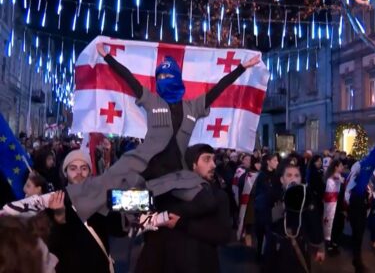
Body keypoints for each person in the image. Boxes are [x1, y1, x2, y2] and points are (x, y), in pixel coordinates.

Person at [65, 44, 260, 222]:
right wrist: (107, 57)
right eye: (160, 77)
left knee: (206, 198)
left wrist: (242, 67)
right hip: (145, 168)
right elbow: (128, 78)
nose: (163, 80)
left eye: (167, 76)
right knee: (110, 193)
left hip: (175, 174)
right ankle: (65, 201)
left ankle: (151, 218)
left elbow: (219, 88)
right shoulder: (152, 101)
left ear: (177, 77)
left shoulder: (194, 107)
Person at [136, 144, 231, 273]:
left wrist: (182, 224)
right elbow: (141, 223)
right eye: (207, 159)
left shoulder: (219, 196)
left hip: (203, 265)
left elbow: (223, 236)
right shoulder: (166, 192)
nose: (213, 165)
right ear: (192, 164)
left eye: (214, 160)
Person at [48, 149, 129, 273]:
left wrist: (114, 207)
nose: (79, 173)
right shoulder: (56, 200)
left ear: (90, 172)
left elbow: (119, 231)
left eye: (84, 168)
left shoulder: (100, 197)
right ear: (65, 172)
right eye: (73, 168)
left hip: (99, 267)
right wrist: (59, 219)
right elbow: (51, 248)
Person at [262, 164, 325, 273]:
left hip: (299, 247)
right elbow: (266, 220)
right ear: (282, 179)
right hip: (277, 249)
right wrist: (283, 204)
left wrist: (319, 246)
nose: (293, 179)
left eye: (297, 175)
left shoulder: (306, 195)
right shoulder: (273, 195)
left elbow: (314, 221)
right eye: (289, 175)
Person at [323, 159, 345, 256]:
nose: (342, 167)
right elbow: (329, 195)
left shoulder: (339, 177)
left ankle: (335, 242)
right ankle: (329, 243)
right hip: (332, 205)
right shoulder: (330, 179)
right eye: (341, 166)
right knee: (331, 224)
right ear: (336, 167)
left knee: (338, 224)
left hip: (338, 204)